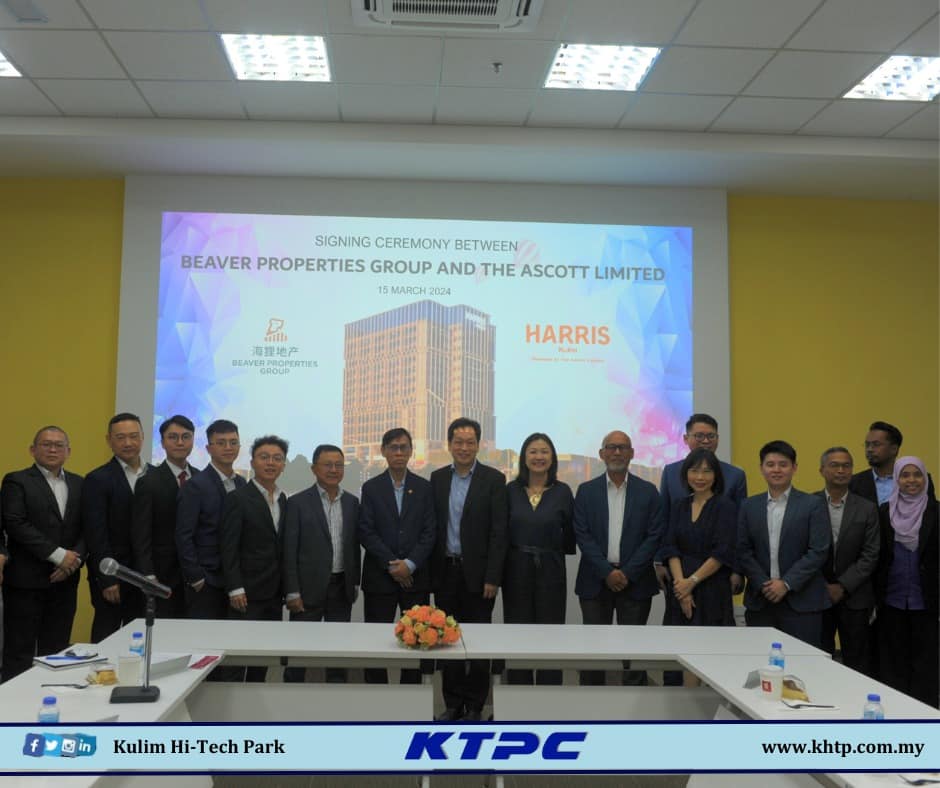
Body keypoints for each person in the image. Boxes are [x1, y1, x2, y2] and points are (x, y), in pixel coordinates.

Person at [429, 418, 507, 721]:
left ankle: (475, 705)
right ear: (449, 444)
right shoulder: (437, 479)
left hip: (479, 576)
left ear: (478, 445)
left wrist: (493, 577)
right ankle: (452, 703)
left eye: (470, 442)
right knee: (446, 639)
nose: (464, 447)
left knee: (478, 641)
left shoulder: (493, 479)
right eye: (458, 442)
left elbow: (499, 533)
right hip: (445, 571)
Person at [574, 430, 664, 685]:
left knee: (633, 652)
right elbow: (582, 535)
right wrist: (607, 572)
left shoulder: (648, 492)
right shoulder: (586, 491)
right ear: (601, 454)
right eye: (611, 447)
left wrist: (626, 573)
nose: (617, 452)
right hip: (595, 581)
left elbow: (654, 536)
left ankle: (635, 703)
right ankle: (591, 699)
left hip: (636, 582)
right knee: (593, 650)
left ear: (632, 453)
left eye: (623, 447)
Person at [0, 427, 83, 681]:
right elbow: (15, 523)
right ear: (32, 450)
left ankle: (52, 698)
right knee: (19, 653)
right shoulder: (16, 481)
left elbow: (88, 528)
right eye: (46, 444)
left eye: (59, 445)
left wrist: (74, 560)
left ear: (68, 451)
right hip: (25, 584)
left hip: (65, 583)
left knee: (57, 651)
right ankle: (13, 704)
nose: (53, 449)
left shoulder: (80, 483)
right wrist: (58, 556)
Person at [357, 427, 435, 684]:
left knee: (416, 640)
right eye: (393, 447)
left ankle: (412, 697)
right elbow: (366, 531)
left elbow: (430, 532)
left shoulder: (424, 488)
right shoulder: (371, 488)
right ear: (383, 451)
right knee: (375, 643)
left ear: (411, 451)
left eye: (404, 447)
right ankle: (377, 696)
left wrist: (409, 565)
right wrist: (394, 565)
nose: (399, 452)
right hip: (380, 579)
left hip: (415, 578)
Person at [737, 440, 830, 648]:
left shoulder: (813, 505)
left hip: (802, 602)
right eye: (770, 464)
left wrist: (786, 583)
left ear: (794, 468)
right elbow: (743, 550)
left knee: (803, 662)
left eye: (783, 464)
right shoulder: (748, 506)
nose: (776, 470)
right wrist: (764, 583)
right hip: (761, 601)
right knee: (760, 660)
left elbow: (818, 551)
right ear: (761, 468)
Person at [282, 444, 360, 683]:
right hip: (306, 590)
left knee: (338, 649)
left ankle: (336, 691)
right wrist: (292, 591)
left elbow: (353, 545)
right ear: (314, 468)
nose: (334, 470)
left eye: (339, 465)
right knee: (299, 650)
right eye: (327, 465)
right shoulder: (297, 502)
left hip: (341, 587)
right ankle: (291, 692)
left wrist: (354, 582)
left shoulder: (352, 502)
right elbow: (289, 550)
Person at [502, 432, 574, 686]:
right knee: (517, 633)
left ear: (552, 458)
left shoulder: (563, 491)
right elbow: (501, 532)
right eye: (533, 451)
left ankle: (549, 694)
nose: (538, 457)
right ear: (524, 457)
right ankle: (517, 692)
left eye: (544, 451)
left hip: (551, 570)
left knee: (550, 634)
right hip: (516, 569)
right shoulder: (510, 490)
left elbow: (570, 535)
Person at [220, 436, 288, 682]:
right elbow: (228, 547)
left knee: (263, 655)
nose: (271, 463)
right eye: (264, 457)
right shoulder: (237, 498)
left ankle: (256, 696)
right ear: (252, 462)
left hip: (274, 592)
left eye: (277, 458)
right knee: (238, 656)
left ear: (283, 465)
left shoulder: (282, 498)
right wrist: (235, 587)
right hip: (246, 593)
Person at [874, 456, 938, 708]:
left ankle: (924, 714)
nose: (912, 480)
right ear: (897, 479)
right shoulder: (884, 512)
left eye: (917, 474)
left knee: (926, 663)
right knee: (893, 662)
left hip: (928, 602)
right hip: (891, 600)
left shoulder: (937, 512)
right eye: (905, 475)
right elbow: (878, 556)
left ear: (925, 478)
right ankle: (894, 711)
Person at [82, 412, 150, 642]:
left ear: (142, 437)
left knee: (140, 639)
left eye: (133, 436)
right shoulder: (97, 479)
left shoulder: (155, 475)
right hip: (114, 575)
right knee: (106, 636)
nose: (128, 443)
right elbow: (96, 534)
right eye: (120, 437)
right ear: (109, 440)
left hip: (146, 576)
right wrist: (108, 579)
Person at [816, 447, 879, 676]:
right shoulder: (808, 504)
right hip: (816, 594)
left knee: (857, 663)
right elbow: (802, 551)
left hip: (855, 596)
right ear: (822, 470)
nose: (841, 470)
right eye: (834, 465)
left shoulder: (867, 508)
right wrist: (823, 585)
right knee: (818, 658)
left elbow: (871, 554)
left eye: (846, 465)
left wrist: (842, 586)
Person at [660, 448, 737, 639]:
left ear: (716, 475)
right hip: (679, 587)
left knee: (710, 645)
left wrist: (692, 582)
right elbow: (670, 547)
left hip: (711, 588)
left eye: (707, 471)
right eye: (694, 471)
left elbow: (721, 552)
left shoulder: (726, 507)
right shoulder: (679, 505)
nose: (700, 477)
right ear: (686, 474)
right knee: (676, 644)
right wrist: (682, 587)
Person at [176, 419, 246, 622]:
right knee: (204, 638)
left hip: (236, 580)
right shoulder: (195, 486)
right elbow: (183, 536)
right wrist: (196, 578)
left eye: (233, 442)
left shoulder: (242, 484)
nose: (228, 448)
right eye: (221, 442)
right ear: (209, 448)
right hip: (207, 580)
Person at [130, 415, 198, 618]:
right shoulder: (148, 481)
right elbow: (141, 534)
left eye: (186, 437)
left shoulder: (201, 478)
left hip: (197, 576)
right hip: (162, 576)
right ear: (162, 442)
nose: (180, 442)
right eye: (173, 437)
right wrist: (147, 574)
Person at [849, 421, 935, 505]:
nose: (870, 449)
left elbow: (931, 511)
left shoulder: (919, 480)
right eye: (867, 445)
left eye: (876, 444)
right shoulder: (854, 482)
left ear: (894, 449)